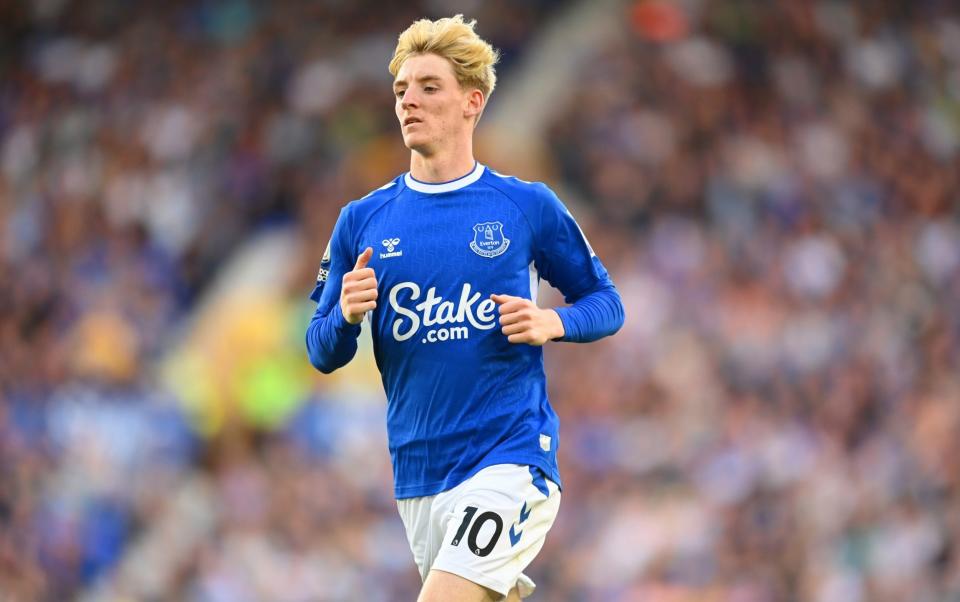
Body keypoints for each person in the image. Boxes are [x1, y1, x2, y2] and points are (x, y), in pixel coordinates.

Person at [305, 15, 624, 601]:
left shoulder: (524, 205)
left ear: (471, 102)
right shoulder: (362, 220)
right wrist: (346, 317)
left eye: (429, 87)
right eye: (402, 89)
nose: (409, 101)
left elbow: (606, 302)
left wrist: (553, 321)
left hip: (508, 459)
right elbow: (319, 349)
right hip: (418, 476)